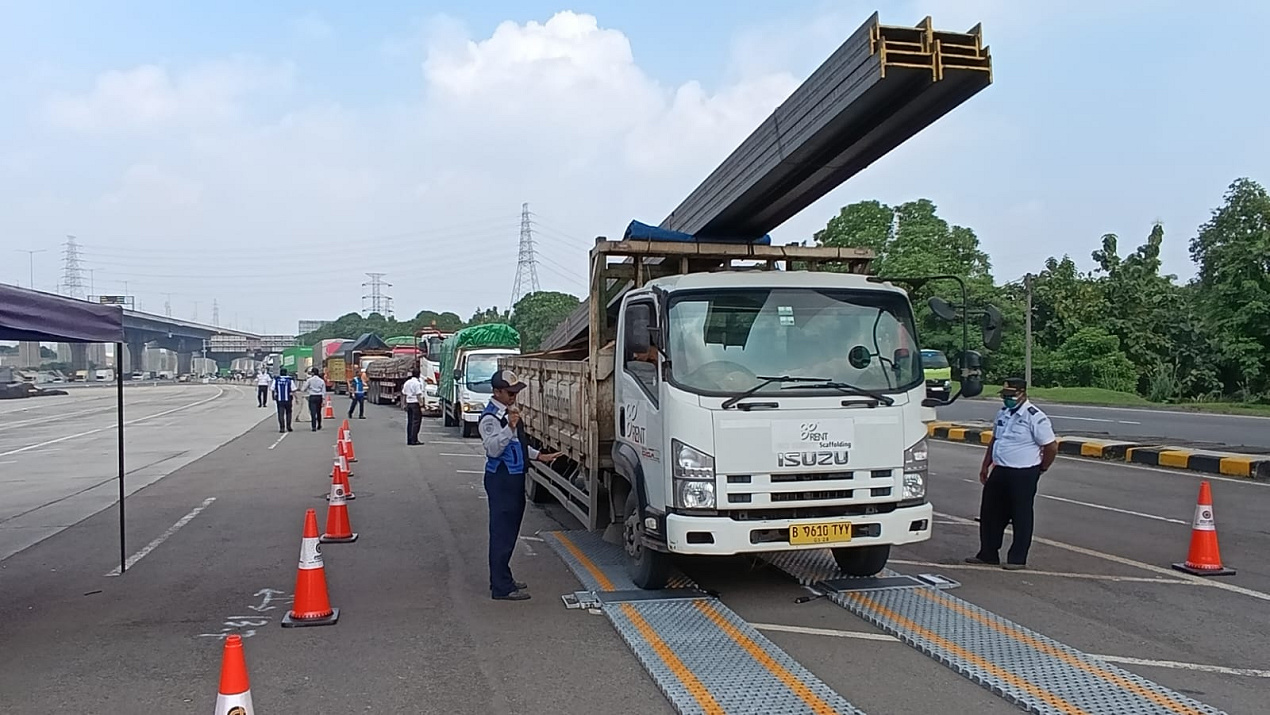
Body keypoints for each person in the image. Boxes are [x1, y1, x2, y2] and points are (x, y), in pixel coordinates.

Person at [479, 369, 560, 601]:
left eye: (515, 391)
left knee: (510, 531)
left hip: (514, 477)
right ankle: (501, 587)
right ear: (497, 391)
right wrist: (510, 427)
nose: (514, 396)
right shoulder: (491, 417)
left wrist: (538, 456)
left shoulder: (508, 412)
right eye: (510, 392)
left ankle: (504, 577)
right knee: (501, 533)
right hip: (501, 479)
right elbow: (494, 449)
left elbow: (516, 445)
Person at [967, 378, 1058, 570]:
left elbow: (1050, 447)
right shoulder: (1003, 413)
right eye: (1004, 395)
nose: (1007, 399)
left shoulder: (1035, 417)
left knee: (1021, 515)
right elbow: (995, 440)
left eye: (1011, 395)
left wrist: (1042, 468)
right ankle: (988, 553)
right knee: (990, 513)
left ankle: (1017, 558)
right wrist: (986, 465)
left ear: (1022, 393)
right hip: (1000, 470)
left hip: (1023, 472)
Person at [402, 367, 425, 445]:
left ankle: (409, 439)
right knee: (416, 422)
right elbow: (418, 395)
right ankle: (414, 439)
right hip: (415, 403)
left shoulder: (407, 382)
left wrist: (404, 404)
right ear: (418, 375)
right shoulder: (417, 383)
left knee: (410, 422)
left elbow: (404, 394)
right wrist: (421, 405)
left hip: (409, 403)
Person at [303, 367, 327, 432]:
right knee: (319, 412)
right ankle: (319, 424)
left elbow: (304, 388)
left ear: (312, 373)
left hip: (312, 396)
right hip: (319, 397)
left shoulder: (310, 380)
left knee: (313, 412)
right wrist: (323, 399)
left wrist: (308, 389)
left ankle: (313, 426)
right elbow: (324, 391)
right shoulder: (321, 381)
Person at [272, 368, 295, 433]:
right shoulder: (290, 380)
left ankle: (282, 427)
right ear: (286, 372)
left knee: (280, 413)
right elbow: (293, 389)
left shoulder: (276, 379)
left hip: (279, 399)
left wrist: (273, 397)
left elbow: (272, 389)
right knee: (289, 413)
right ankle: (289, 426)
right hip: (288, 399)